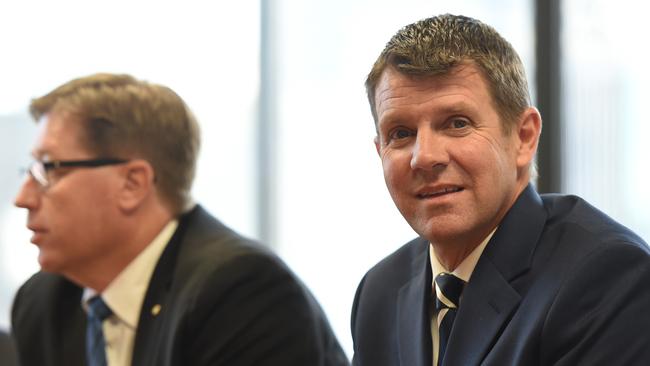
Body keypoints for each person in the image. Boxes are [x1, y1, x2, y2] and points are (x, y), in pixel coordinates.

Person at [351, 14, 650, 366]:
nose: (424, 157)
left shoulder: (605, 277)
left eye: (457, 123)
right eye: (401, 133)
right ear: (380, 151)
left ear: (524, 137)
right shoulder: (381, 290)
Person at [12, 73, 349, 366]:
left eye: (49, 169)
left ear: (132, 184)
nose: (22, 198)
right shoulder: (43, 303)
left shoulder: (238, 291)